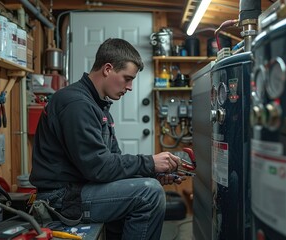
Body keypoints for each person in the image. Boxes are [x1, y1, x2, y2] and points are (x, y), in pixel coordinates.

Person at [29, 38, 185, 240]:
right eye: (127, 78)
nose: (129, 87)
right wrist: (150, 163)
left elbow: (113, 164)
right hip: (61, 198)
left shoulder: (98, 106)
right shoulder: (76, 103)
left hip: (81, 188)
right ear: (108, 69)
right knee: (149, 194)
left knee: (149, 185)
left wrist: (152, 173)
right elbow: (98, 167)